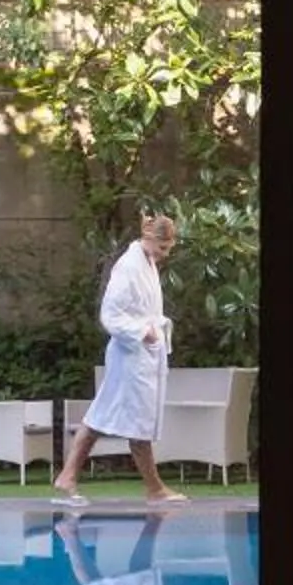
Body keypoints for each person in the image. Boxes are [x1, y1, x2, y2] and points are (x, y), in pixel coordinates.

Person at [49, 213, 187, 505]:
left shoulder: (146, 262)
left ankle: (68, 476)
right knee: (125, 420)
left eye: (168, 249)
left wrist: (151, 333)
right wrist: (142, 332)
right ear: (149, 238)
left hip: (141, 357)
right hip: (130, 356)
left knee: (110, 416)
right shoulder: (128, 266)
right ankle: (153, 489)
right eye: (163, 248)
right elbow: (110, 315)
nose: (165, 255)